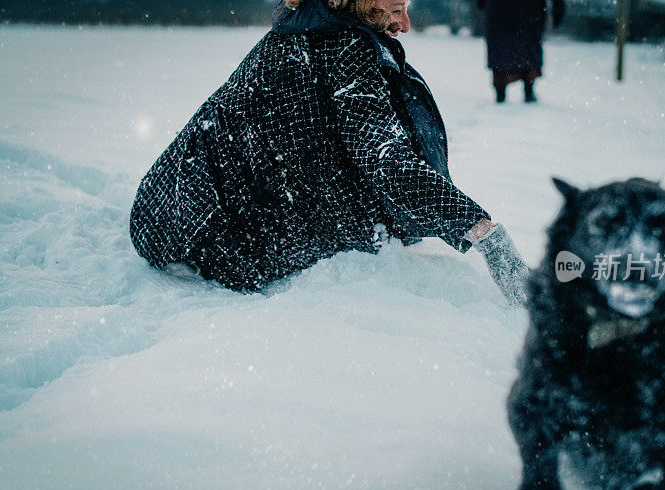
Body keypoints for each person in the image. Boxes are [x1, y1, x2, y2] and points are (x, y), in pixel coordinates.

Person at [129, 0, 527, 305]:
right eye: (396, 8)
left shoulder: (309, 27)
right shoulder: (342, 45)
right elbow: (384, 157)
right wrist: (482, 231)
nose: (405, 24)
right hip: (222, 237)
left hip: (174, 213)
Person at [478, 0, 564, 103]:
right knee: (527, 46)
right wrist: (558, 9)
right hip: (529, 10)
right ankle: (528, 87)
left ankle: (502, 90)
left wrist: (481, 3)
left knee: (501, 46)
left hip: (501, 9)